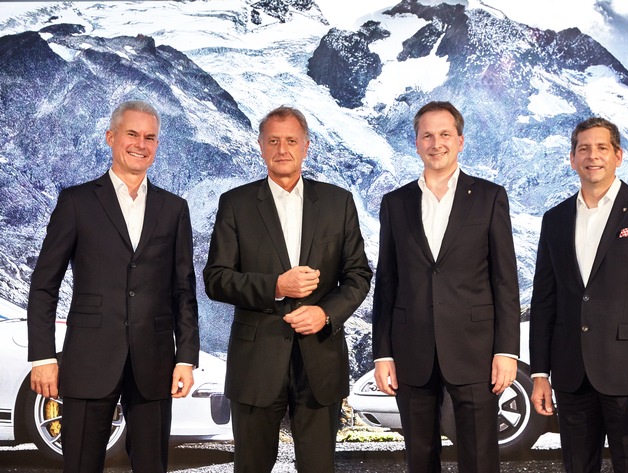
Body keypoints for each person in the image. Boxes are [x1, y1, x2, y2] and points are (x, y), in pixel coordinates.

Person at [27, 100, 200, 472]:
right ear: (110, 137)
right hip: (88, 358)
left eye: (150, 137)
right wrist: (42, 357)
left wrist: (185, 358)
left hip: (154, 362)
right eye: (132, 134)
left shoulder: (174, 209)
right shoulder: (76, 202)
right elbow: (44, 284)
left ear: (157, 145)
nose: (141, 144)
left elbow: (183, 291)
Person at [203, 106, 372, 473]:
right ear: (261, 146)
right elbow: (216, 278)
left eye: (291, 141)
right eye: (273, 141)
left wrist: (325, 313)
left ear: (306, 146)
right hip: (255, 364)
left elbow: (358, 274)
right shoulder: (236, 204)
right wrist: (275, 286)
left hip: (320, 362)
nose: (282, 149)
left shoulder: (338, 202)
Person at [372, 101, 521, 473]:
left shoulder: (489, 197)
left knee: (480, 456)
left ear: (460, 141)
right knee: (420, 457)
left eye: (444, 134)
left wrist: (506, 350)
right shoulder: (395, 203)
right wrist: (383, 354)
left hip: (475, 349)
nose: (435, 143)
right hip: (411, 350)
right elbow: (387, 283)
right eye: (427, 136)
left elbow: (505, 280)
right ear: (416, 143)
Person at [529, 117, 628, 473]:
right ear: (572, 159)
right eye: (583, 148)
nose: (592, 156)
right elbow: (544, 301)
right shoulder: (555, 219)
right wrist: (539, 373)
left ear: (618, 156)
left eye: (601, 147)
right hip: (571, 374)